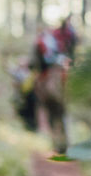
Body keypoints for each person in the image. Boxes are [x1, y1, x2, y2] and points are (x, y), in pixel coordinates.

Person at [31, 16, 78, 153]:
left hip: (48, 77)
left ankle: (59, 143)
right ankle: (63, 143)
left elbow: (37, 61)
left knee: (54, 114)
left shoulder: (45, 39)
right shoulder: (61, 37)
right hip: (55, 77)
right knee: (60, 114)